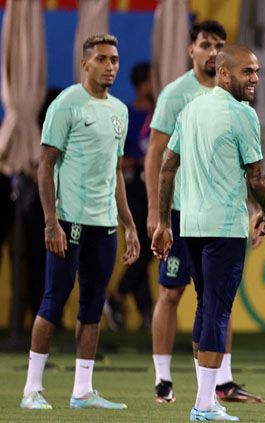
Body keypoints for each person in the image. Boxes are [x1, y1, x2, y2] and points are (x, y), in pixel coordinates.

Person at [144, 20, 263, 404]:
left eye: (218, 45)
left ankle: (220, 383)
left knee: (211, 301)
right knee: (175, 293)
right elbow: (157, 156)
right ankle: (166, 380)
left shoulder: (229, 96)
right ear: (190, 50)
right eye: (205, 44)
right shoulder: (178, 95)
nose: (211, 51)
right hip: (184, 212)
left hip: (198, 215)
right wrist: (156, 214)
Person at [20, 34, 140, 410]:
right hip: (68, 223)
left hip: (103, 226)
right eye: (102, 59)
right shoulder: (66, 103)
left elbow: (116, 172)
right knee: (54, 301)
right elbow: (45, 166)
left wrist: (129, 224)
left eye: (115, 59)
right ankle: (31, 390)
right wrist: (50, 221)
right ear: (84, 64)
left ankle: (82, 391)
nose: (110, 66)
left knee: (93, 306)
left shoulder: (119, 110)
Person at [105, 62, 155, 330]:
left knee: (147, 248)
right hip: (132, 187)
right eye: (151, 81)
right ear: (142, 84)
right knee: (143, 247)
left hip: (153, 188)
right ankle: (120, 296)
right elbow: (118, 159)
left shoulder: (160, 114)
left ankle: (140, 308)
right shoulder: (127, 115)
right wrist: (138, 162)